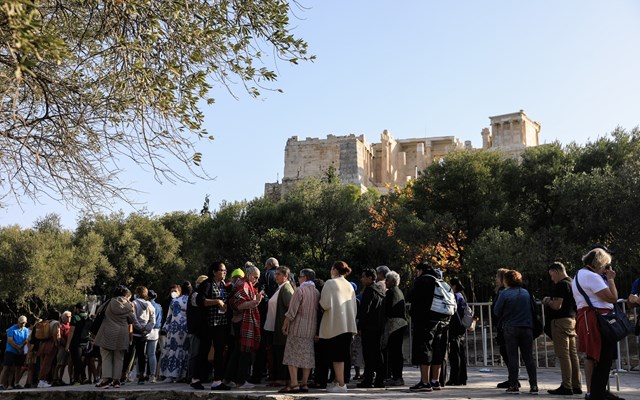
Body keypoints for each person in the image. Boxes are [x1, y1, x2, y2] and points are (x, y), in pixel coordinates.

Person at [572, 247, 621, 400]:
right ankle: (597, 394)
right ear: (599, 263)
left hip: (589, 318)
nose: (606, 269)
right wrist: (611, 279)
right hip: (598, 319)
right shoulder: (591, 276)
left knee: (596, 357)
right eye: (605, 265)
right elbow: (612, 298)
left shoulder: (580, 274)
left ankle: (597, 392)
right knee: (603, 358)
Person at [407, 262, 452, 392]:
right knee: (437, 349)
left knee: (425, 348)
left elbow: (411, 297)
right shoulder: (441, 282)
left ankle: (424, 382)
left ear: (420, 270)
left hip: (426, 320)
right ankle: (435, 380)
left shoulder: (423, 281)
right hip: (443, 320)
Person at [493, 269, 538, 395]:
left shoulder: (504, 293)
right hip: (527, 327)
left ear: (506, 281)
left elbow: (496, 311)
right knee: (528, 357)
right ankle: (533, 385)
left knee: (513, 357)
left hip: (510, 327)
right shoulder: (526, 293)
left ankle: (513, 385)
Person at [543, 262, 582, 395]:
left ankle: (566, 385)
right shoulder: (572, 283)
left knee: (563, 355)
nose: (551, 278)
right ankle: (576, 385)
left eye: (552, 275)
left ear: (557, 271)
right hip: (572, 320)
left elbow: (557, 305)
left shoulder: (561, 285)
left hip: (560, 322)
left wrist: (548, 301)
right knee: (573, 354)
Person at [319, 261, 357, 393]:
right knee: (342, 354)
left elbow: (325, 304)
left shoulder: (330, 283)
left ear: (334, 269)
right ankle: (337, 381)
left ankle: (341, 384)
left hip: (334, 325)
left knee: (336, 356)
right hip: (347, 324)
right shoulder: (349, 285)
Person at [223, 265, 263, 389]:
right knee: (243, 352)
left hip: (242, 322)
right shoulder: (242, 285)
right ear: (249, 274)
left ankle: (229, 379)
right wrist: (255, 302)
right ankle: (241, 381)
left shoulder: (246, 284)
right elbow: (238, 304)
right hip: (241, 322)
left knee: (237, 352)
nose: (256, 280)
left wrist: (256, 300)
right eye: (255, 277)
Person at [280, 268, 320, 393]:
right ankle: (304, 384)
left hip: (297, 327)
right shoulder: (317, 292)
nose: (298, 278)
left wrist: (285, 324)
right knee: (307, 356)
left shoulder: (300, 290)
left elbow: (292, 311)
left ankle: (294, 384)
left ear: (305, 277)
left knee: (292, 355)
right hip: (311, 329)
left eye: (299, 276)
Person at [192, 261, 229, 390]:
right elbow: (200, 301)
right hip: (207, 324)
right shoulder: (206, 284)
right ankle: (195, 378)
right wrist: (217, 301)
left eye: (225, 271)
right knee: (203, 351)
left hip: (220, 323)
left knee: (219, 351)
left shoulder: (224, 285)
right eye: (221, 270)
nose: (224, 273)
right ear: (214, 271)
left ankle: (217, 380)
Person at [94, 285, 135, 388]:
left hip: (107, 332)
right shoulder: (129, 306)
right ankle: (116, 381)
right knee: (119, 358)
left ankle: (105, 380)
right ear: (126, 295)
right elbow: (132, 320)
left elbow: (98, 311)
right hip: (122, 334)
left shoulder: (108, 302)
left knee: (106, 357)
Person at [263, 265, 294, 388]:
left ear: (286, 276)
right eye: (275, 274)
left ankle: (282, 378)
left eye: (278, 274)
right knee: (276, 353)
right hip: (273, 327)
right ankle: (279, 377)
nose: (275, 276)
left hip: (281, 328)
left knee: (281, 353)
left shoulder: (286, 288)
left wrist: (285, 324)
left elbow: (291, 308)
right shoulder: (280, 287)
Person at [356, 268, 386, 388]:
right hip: (378, 326)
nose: (362, 279)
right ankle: (379, 379)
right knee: (377, 353)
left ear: (369, 278)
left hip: (369, 327)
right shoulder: (380, 291)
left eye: (363, 277)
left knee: (368, 354)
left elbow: (365, 311)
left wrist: (359, 326)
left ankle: (368, 379)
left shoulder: (369, 291)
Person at [124, 286, 156, 384]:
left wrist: (139, 328)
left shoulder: (133, 303)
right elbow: (152, 320)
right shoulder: (150, 305)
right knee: (142, 355)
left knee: (129, 354)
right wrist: (146, 330)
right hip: (144, 334)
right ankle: (141, 376)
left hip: (134, 333)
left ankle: (124, 375)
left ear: (137, 293)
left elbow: (133, 318)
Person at [159, 283, 189, 383]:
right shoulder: (191, 301)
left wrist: (165, 328)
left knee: (172, 351)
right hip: (186, 329)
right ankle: (182, 375)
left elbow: (169, 316)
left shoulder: (174, 301)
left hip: (174, 330)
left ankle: (170, 375)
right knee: (184, 352)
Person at [382, 270, 407, 387]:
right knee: (396, 351)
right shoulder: (399, 291)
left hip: (395, 325)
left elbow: (387, 309)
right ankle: (397, 376)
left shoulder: (391, 292)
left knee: (394, 352)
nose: (385, 282)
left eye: (387, 279)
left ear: (392, 281)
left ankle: (397, 377)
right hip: (401, 324)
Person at [493, 267, 513, 389]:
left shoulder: (503, 292)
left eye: (497, 276)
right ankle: (512, 377)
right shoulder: (502, 291)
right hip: (503, 325)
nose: (495, 279)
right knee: (506, 351)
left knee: (506, 352)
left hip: (504, 326)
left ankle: (513, 378)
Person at [186, 275, 208, 382]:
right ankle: (191, 376)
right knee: (194, 354)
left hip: (200, 329)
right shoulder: (195, 295)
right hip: (195, 329)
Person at [446, 278, 468, 386]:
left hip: (455, 327)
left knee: (454, 353)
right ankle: (462, 377)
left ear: (453, 286)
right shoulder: (461, 296)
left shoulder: (454, 296)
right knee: (460, 352)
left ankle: (455, 378)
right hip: (461, 327)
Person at [0, 315, 29, 390]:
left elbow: (26, 339)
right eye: (21, 323)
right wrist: (17, 347)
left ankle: (16, 383)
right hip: (11, 350)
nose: (22, 324)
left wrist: (21, 346)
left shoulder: (25, 330)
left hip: (20, 351)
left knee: (18, 367)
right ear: (18, 322)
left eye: (24, 323)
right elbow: (10, 340)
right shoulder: (12, 329)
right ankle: (1, 384)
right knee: (6, 367)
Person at [66, 303, 90, 385]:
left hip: (76, 343)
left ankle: (82, 378)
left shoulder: (75, 317)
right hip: (85, 342)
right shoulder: (87, 317)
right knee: (81, 361)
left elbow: (71, 331)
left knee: (77, 361)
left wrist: (68, 344)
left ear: (77, 309)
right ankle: (77, 379)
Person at [36, 309, 61, 388]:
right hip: (51, 344)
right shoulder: (56, 323)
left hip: (42, 343)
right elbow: (55, 333)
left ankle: (42, 380)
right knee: (47, 364)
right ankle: (42, 381)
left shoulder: (46, 322)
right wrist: (56, 343)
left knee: (43, 363)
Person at [146, 290, 162, 383]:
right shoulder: (159, 306)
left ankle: (142, 374)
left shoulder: (147, 304)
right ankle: (153, 375)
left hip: (147, 329)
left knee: (143, 354)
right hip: (156, 330)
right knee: (152, 354)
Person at [53, 310, 72, 385]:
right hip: (62, 347)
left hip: (68, 347)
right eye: (67, 317)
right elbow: (60, 337)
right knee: (59, 363)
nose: (69, 318)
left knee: (64, 364)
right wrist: (66, 345)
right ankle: (55, 378)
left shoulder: (70, 326)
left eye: (70, 317)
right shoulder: (61, 326)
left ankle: (60, 378)